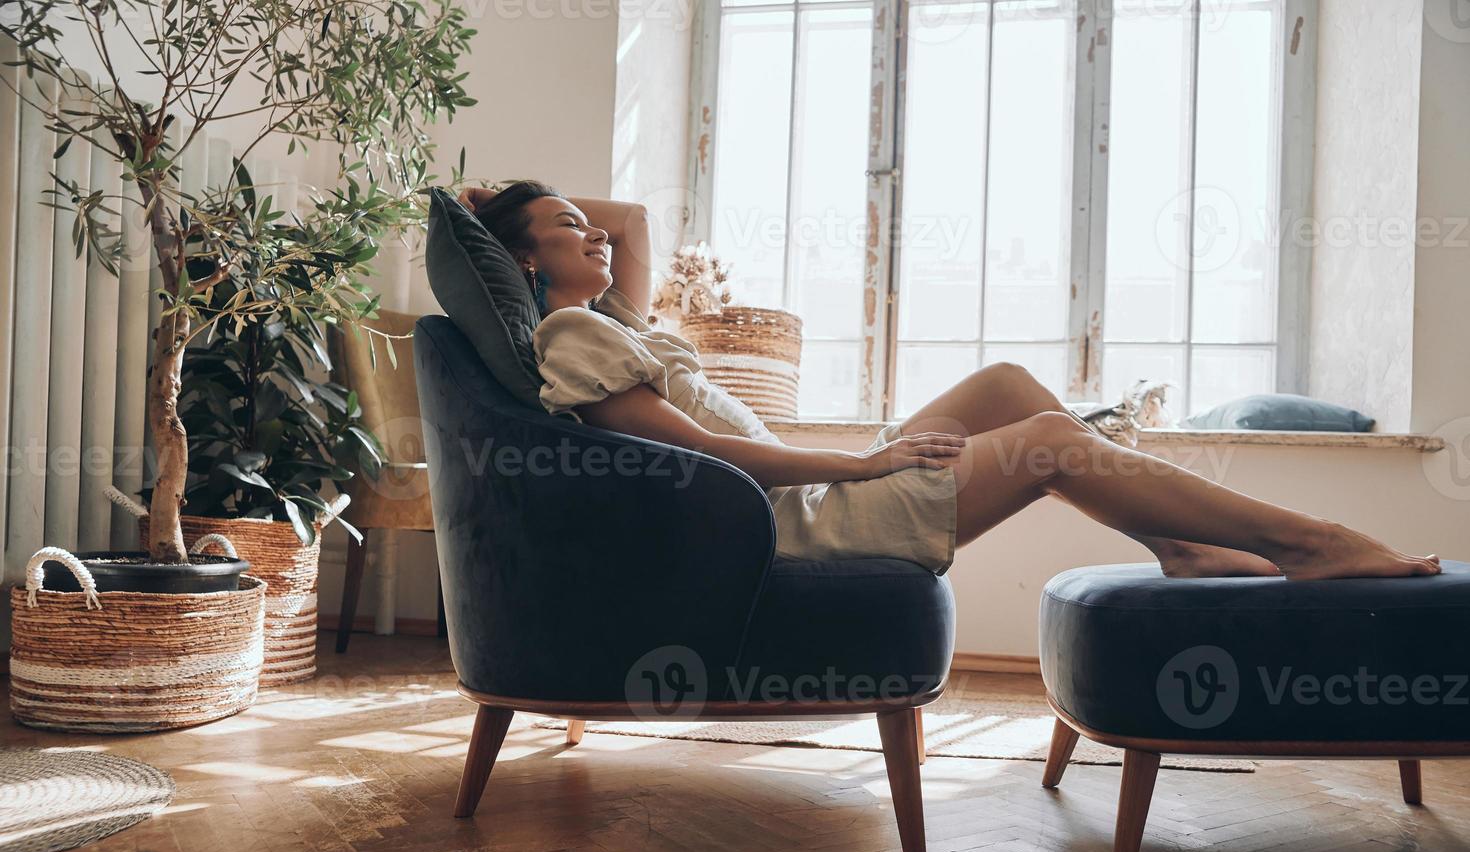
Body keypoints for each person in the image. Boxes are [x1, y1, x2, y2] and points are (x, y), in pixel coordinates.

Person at [459, 181, 1441, 581]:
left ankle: (1180, 545)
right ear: (530, 263)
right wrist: (864, 464)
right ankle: (1308, 540)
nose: (590, 230)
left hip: (814, 489)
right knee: (1053, 442)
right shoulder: (573, 336)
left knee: (1011, 385)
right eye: (561, 225)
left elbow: (630, 216)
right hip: (798, 521)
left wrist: (502, 208)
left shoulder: (614, 316)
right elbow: (711, 458)